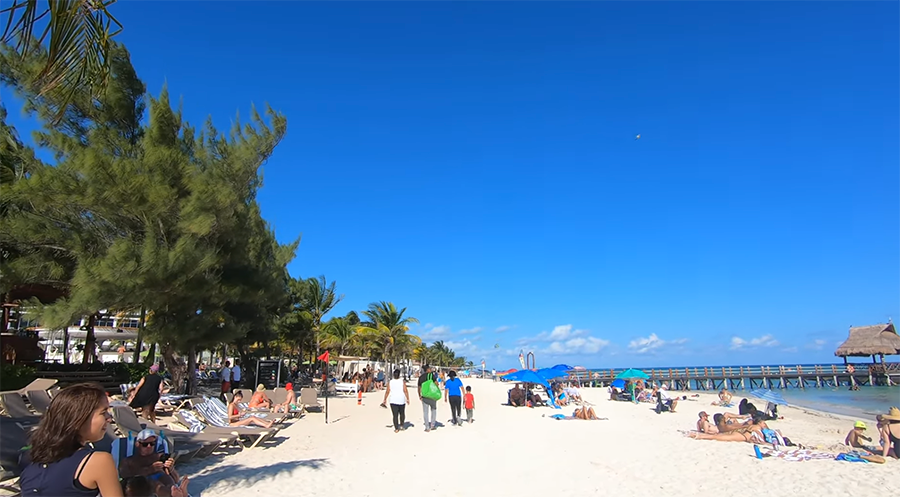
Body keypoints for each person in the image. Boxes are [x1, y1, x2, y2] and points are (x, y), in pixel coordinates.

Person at [18, 383, 124, 497]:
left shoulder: (33, 462)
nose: (109, 418)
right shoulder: (98, 461)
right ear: (79, 419)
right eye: (103, 412)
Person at [118, 429, 181, 497]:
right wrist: (150, 469)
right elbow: (125, 480)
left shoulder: (161, 457)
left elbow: (176, 480)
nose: (149, 446)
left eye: (152, 443)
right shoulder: (128, 461)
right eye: (145, 444)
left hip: (165, 485)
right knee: (154, 484)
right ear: (137, 444)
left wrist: (171, 469)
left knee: (167, 480)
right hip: (141, 487)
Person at [417, 365, 439, 432]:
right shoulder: (432, 376)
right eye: (430, 368)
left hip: (425, 395)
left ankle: (427, 427)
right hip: (432, 395)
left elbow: (419, 388)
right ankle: (432, 425)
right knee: (433, 410)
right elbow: (436, 384)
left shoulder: (421, 377)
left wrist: (419, 395)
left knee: (425, 412)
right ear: (428, 369)